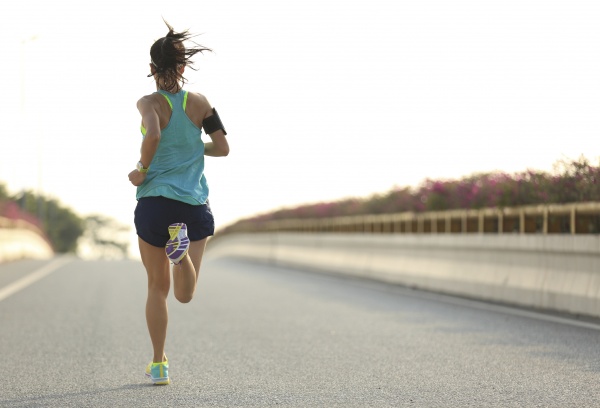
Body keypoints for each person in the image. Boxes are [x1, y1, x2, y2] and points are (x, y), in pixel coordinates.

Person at [128, 21, 229, 385]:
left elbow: (153, 133)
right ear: (184, 68)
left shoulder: (148, 102)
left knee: (158, 288)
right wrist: (192, 148)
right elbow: (223, 147)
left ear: (152, 69)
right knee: (185, 294)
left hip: (155, 203)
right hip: (193, 206)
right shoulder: (200, 103)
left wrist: (141, 169)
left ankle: (158, 364)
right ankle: (181, 255)